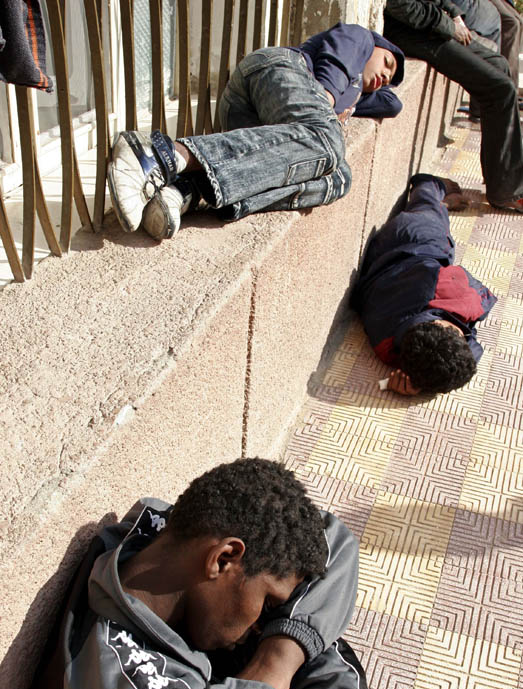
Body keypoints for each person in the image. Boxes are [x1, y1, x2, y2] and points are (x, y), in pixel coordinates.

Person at [24, 458, 397, 689]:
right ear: (222, 559)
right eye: (267, 603)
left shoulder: (161, 539)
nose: (260, 623)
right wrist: (284, 656)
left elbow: (335, 539)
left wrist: (280, 655)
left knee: (304, 628)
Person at [107, 23, 404, 241]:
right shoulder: (360, 39)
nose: (383, 77)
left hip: (257, 125)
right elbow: (333, 68)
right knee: (329, 142)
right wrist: (327, 103)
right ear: (376, 45)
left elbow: (392, 104)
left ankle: (189, 188)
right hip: (276, 73)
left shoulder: (357, 92)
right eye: (386, 63)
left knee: (341, 178)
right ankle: (159, 154)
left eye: (387, 79)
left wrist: (352, 103)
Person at [351, 174, 497, 396]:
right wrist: (417, 382)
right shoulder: (387, 346)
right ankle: (437, 192)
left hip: (415, 235)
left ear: (445, 326)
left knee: (429, 208)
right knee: (433, 214)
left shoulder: (462, 299)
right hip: (386, 257)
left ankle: (429, 184)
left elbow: (473, 345)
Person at [383, 0, 523, 213]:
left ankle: (502, 177)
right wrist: (448, 26)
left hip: (434, 25)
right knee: (501, 88)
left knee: (499, 65)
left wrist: (455, 14)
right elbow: (400, 6)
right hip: (413, 33)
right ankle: (506, 192)